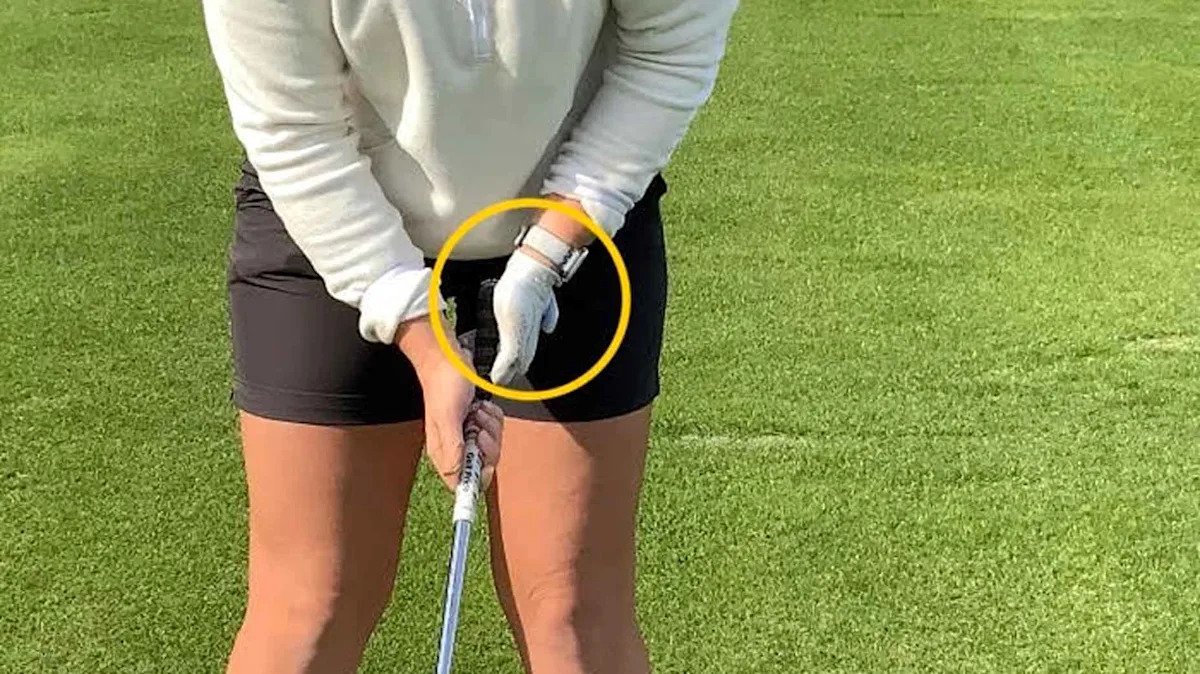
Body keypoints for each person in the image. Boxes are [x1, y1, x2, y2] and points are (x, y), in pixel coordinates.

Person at [202, 0, 737, 671]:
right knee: (309, 606)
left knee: (574, 613)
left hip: (583, 202)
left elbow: (668, 51)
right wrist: (424, 342)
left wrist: (548, 253)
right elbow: (293, 131)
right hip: (336, 211)